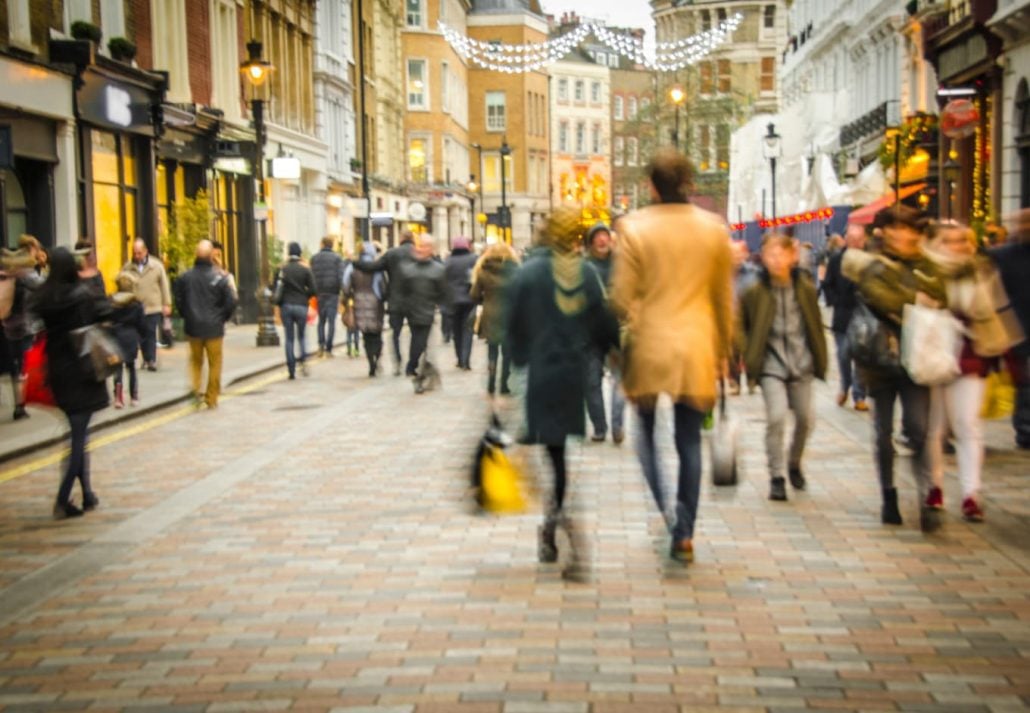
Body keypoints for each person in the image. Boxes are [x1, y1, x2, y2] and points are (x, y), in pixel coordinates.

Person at [610, 149, 734, 564]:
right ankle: (685, 531)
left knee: (645, 432)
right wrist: (725, 351)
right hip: (697, 345)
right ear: (689, 184)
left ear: (650, 186)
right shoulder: (713, 229)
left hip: (650, 344)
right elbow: (723, 299)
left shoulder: (633, 227)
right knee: (688, 442)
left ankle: (664, 507)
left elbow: (622, 296)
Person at [507, 206, 619, 577]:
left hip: (540, 375)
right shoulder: (584, 272)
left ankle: (557, 526)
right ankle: (554, 526)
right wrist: (612, 353)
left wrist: (512, 374)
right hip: (571, 374)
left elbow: (513, 333)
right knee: (558, 459)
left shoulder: (527, 273)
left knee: (548, 457)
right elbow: (603, 323)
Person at [843, 205, 946, 532]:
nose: (904, 236)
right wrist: (916, 297)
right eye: (897, 229)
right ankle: (889, 494)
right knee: (882, 433)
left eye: (911, 230)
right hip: (879, 358)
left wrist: (913, 297)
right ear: (884, 231)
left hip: (918, 358)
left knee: (918, 429)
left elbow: (942, 294)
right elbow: (881, 298)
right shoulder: (871, 263)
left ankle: (927, 496)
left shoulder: (927, 264)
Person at [923, 220, 1004, 523]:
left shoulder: (980, 270)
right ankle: (935, 485)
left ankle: (972, 493)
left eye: (962, 240)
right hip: (931, 355)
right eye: (949, 241)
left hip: (970, 354)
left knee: (968, 424)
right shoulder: (925, 271)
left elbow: (992, 312)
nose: (957, 247)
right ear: (935, 243)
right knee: (935, 427)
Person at [738, 233, 827, 501]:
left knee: (805, 419)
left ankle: (794, 462)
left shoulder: (805, 288)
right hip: (770, 364)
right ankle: (776, 475)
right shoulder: (754, 290)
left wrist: (820, 358)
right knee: (776, 417)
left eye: (781, 254)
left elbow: (815, 324)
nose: (775, 260)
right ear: (763, 258)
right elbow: (740, 325)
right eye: (769, 255)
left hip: (801, 363)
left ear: (792, 256)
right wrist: (746, 352)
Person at [31, 247, 111, 518]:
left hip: (57, 371)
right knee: (78, 437)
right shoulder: (81, 295)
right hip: (83, 369)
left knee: (78, 432)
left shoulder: (43, 296)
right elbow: (103, 312)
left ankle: (87, 494)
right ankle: (63, 499)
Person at [173, 240, 237, 408]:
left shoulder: (185, 278)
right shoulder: (220, 278)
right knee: (215, 363)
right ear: (211, 255)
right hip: (214, 328)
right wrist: (222, 317)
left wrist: (186, 315)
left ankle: (196, 391)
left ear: (196, 255)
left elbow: (178, 300)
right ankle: (211, 397)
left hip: (193, 327)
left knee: (195, 361)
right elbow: (230, 302)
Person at [582, 221, 626, 443]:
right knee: (591, 383)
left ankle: (617, 426)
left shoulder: (622, 265)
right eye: (597, 237)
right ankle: (600, 427)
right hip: (590, 333)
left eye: (605, 236)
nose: (601, 240)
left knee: (620, 380)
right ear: (590, 243)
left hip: (617, 331)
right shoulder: (582, 267)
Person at [990, 209, 1030, 450]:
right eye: (1023, 223)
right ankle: (1025, 429)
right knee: (1023, 382)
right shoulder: (1002, 256)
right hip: (1014, 327)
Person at [353, 231, 415, 375]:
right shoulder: (418, 253)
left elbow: (372, 267)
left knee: (396, 334)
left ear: (401, 239)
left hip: (396, 301)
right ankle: (412, 363)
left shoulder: (391, 254)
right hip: (415, 301)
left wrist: (355, 262)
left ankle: (398, 363)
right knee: (415, 334)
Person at [822, 223, 869, 411]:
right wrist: (835, 301)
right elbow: (828, 283)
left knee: (860, 356)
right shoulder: (836, 259)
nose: (856, 243)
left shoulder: (869, 260)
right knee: (843, 354)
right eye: (852, 239)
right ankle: (845, 385)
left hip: (863, 314)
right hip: (842, 314)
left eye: (859, 240)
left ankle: (859, 395)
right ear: (846, 240)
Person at [398, 234, 450, 390]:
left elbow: (443, 292)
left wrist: (444, 307)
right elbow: (400, 291)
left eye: (424, 246)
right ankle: (417, 371)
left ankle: (415, 370)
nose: (420, 249)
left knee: (421, 344)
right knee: (418, 343)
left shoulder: (438, 270)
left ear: (432, 249)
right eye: (419, 245)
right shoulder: (407, 269)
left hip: (427, 312)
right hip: (411, 312)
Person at [1, 236, 45, 420]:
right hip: (25, 326)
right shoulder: (26, 272)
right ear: (30, 249)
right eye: (36, 248)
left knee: (14, 367)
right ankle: (21, 405)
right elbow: (44, 287)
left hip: (7, 325)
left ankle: (19, 402)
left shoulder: (8, 271)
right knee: (24, 366)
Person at [471, 242, 519, 395]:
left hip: (490, 314)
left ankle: (491, 382)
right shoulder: (516, 271)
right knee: (507, 353)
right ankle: (504, 384)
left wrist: (485, 300)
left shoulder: (483, 271)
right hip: (510, 315)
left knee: (492, 350)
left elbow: (474, 295)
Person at [122, 238, 171, 371]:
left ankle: (151, 360)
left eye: (139, 253)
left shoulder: (156, 265)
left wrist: (166, 304)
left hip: (153, 305)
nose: (136, 256)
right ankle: (146, 358)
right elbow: (123, 284)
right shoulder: (128, 267)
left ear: (145, 251)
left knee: (150, 332)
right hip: (136, 307)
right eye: (134, 253)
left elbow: (164, 285)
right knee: (141, 334)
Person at [274, 242, 317, 379]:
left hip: (286, 306)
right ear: (300, 254)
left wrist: (279, 305)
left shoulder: (282, 269)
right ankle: (303, 361)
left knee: (289, 338)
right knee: (302, 336)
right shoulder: (305, 270)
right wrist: (305, 296)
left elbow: (276, 289)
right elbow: (314, 290)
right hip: (301, 306)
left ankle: (291, 369)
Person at [344, 241, 387, 377]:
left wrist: (350, 295)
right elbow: (383, 287)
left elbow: (345, 285)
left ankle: (371, 364)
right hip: (375, 304)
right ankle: (377, 357)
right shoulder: (377, 267)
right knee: (377, 333)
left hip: (359, 303)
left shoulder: (353, 267)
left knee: (366, 335)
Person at [109, 271, 147, 408]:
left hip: (116, 336)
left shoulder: (112, 301)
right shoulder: (136, 303)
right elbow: (142, 324)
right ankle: (134, 396)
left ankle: (118, 398)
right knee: (131, 368)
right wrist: (142, 337)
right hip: (131, 336)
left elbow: (108, 320)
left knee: (117, 368)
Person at [444, 236, 478, 370]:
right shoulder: (473, 259)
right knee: (467, 330)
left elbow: (443, 279)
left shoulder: (448, 261)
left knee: (456, 331)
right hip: (469, 299)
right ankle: (466, 359)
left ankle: (459, 358)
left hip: (452, 301)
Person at [310, 236, 344, 357]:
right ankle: (329, 349)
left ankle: (321, 345)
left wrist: (313, 292)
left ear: (322, 244)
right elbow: (341, 277)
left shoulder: (314, 258)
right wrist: (342, 292)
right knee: (331, 322)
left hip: (320, 293)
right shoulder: (337, 258)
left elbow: (312, 277)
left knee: (321, 321)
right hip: (333, 293)